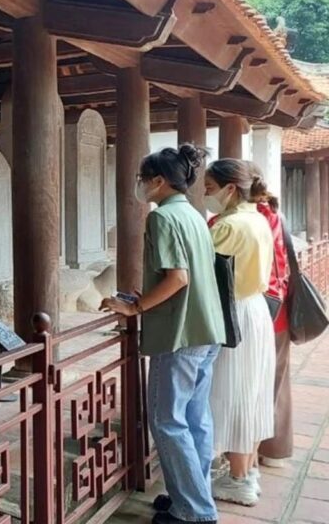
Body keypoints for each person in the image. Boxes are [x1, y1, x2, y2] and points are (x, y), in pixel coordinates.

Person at [103, 145, 224, 524]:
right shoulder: (194, 214)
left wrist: (135, 307)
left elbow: (178, 278)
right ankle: (192, 497)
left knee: (168, 421)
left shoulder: (162, 217)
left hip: (179, 334)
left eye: (143, 179)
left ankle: (195, 511)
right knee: (195, 419)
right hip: (207, 328)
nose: (140, 185)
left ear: (158, 181)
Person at [204, 159, 276, 507]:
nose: (206, 194)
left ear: (230, 188)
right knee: (251, 392)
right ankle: (246, 472)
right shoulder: (258, 219)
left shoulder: (228, 226)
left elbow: (202, 274)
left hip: (233, 313)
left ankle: (238, 479)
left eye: (209, 188)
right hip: (255, 309)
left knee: (231, 393)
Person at [251, 171, 293, 469]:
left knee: (252, 382)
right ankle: (275, 449)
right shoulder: (276, 215)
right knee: (277, 381)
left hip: (259, 309)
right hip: (280, 308)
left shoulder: (250, 219)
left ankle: (247, 451)